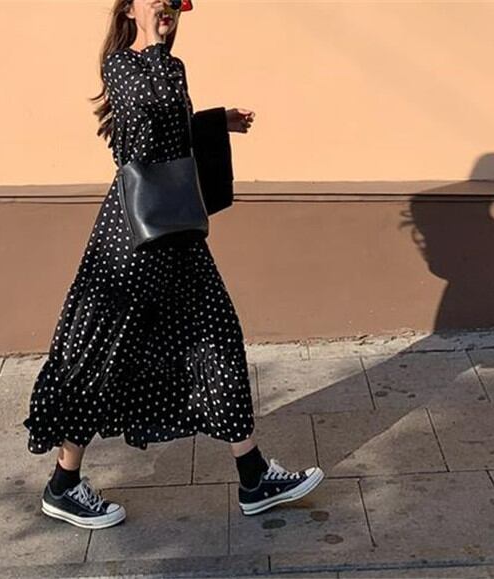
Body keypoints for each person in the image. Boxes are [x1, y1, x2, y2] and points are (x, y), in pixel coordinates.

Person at [22, 0, 325, 530]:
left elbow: (172, 133)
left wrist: (213, 123)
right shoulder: (121, 65)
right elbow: (142, 141)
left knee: (218, 336)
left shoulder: (171, 66)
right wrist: (158, 48)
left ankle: (254, 476)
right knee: (102, 351)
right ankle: (64, 484)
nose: (166, 5)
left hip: (178, 237)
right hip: (134, 241)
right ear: (129, 9)